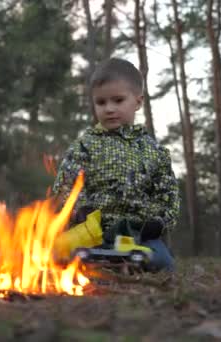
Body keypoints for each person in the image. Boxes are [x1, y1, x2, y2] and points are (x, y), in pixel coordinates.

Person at [52, 57, 180, 272]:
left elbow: (168, 194)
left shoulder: (154, 152)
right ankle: (98, 263)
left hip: (138, 234)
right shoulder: (84, 146)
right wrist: (79, 210)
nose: (109, 109)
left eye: (118, 101)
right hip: (94, 232)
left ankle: (131, 263)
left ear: (138, 102)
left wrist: (158, 222)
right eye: (101, 103)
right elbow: (66, 186)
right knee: (59, 254)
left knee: (162, 262)